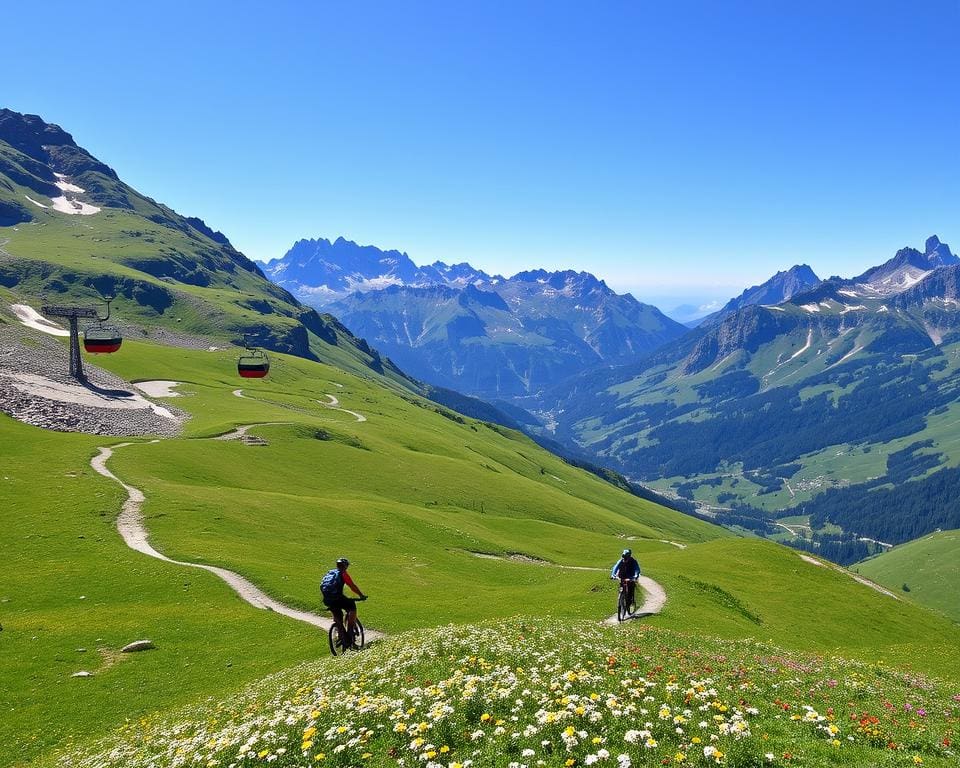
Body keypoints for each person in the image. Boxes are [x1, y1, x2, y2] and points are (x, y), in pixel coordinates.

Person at [321, 557, 366, 647]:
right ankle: (349, 631)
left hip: (328, 599)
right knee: (352, 607)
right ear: (345, 566)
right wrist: (361, 595)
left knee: (338, 617)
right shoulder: (343, 574)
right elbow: (352, 586)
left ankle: (341, 636)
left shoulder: (330, 573)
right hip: (338, 598)